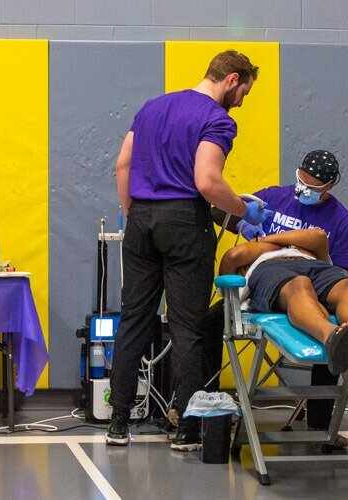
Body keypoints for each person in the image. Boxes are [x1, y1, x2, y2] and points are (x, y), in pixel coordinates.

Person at [109, 50, 276, 449]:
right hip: (185, 221)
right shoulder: (217, 119)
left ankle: (118, 423)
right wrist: (243, 209)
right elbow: (206, 181)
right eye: (244, 93)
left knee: (134, 320)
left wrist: (136, 214)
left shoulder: (152, 107)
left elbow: (122, 166)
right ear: (232, 79)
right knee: (187, 328)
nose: (240, 103)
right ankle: (186, 428)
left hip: (140, 219)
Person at [220, 149, 348, 434]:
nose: (303, 190)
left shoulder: (341, 221)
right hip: (269, 278)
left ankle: (321, 425)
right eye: (301, 181)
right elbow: (221, 211)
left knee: (335, 311)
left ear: (329, 186)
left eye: (313, 187)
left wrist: (273, 241)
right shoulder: (273, 198)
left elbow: (339, 269)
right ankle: (209, 410)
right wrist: (243, 220)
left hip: (314, 277)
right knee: (208, 325)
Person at [216, 228, 348, 375]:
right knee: (299, 285)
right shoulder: (253, 253)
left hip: (315, 267)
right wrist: (266, 246)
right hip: (270, 270)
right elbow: (235, 255)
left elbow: (319, 236)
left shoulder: (305, 245)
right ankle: (332, 337)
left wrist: (268, 240)